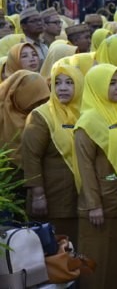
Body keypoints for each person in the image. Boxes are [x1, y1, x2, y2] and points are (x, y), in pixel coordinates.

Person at [75, 64, 117, 289]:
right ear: (96, 87)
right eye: (111, 83)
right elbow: (85, 168)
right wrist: (94, 205)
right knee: (98, 261)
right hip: (102, 205)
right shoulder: (88, 122)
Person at [21, 61, 84, 245]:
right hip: (51, 197)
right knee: (54, 249)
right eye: (57, 82)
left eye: (69, 82)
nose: (62, 88)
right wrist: (38, 195)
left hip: (78, 196)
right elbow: (31, 157)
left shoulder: (85, 112)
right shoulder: (41, 116)